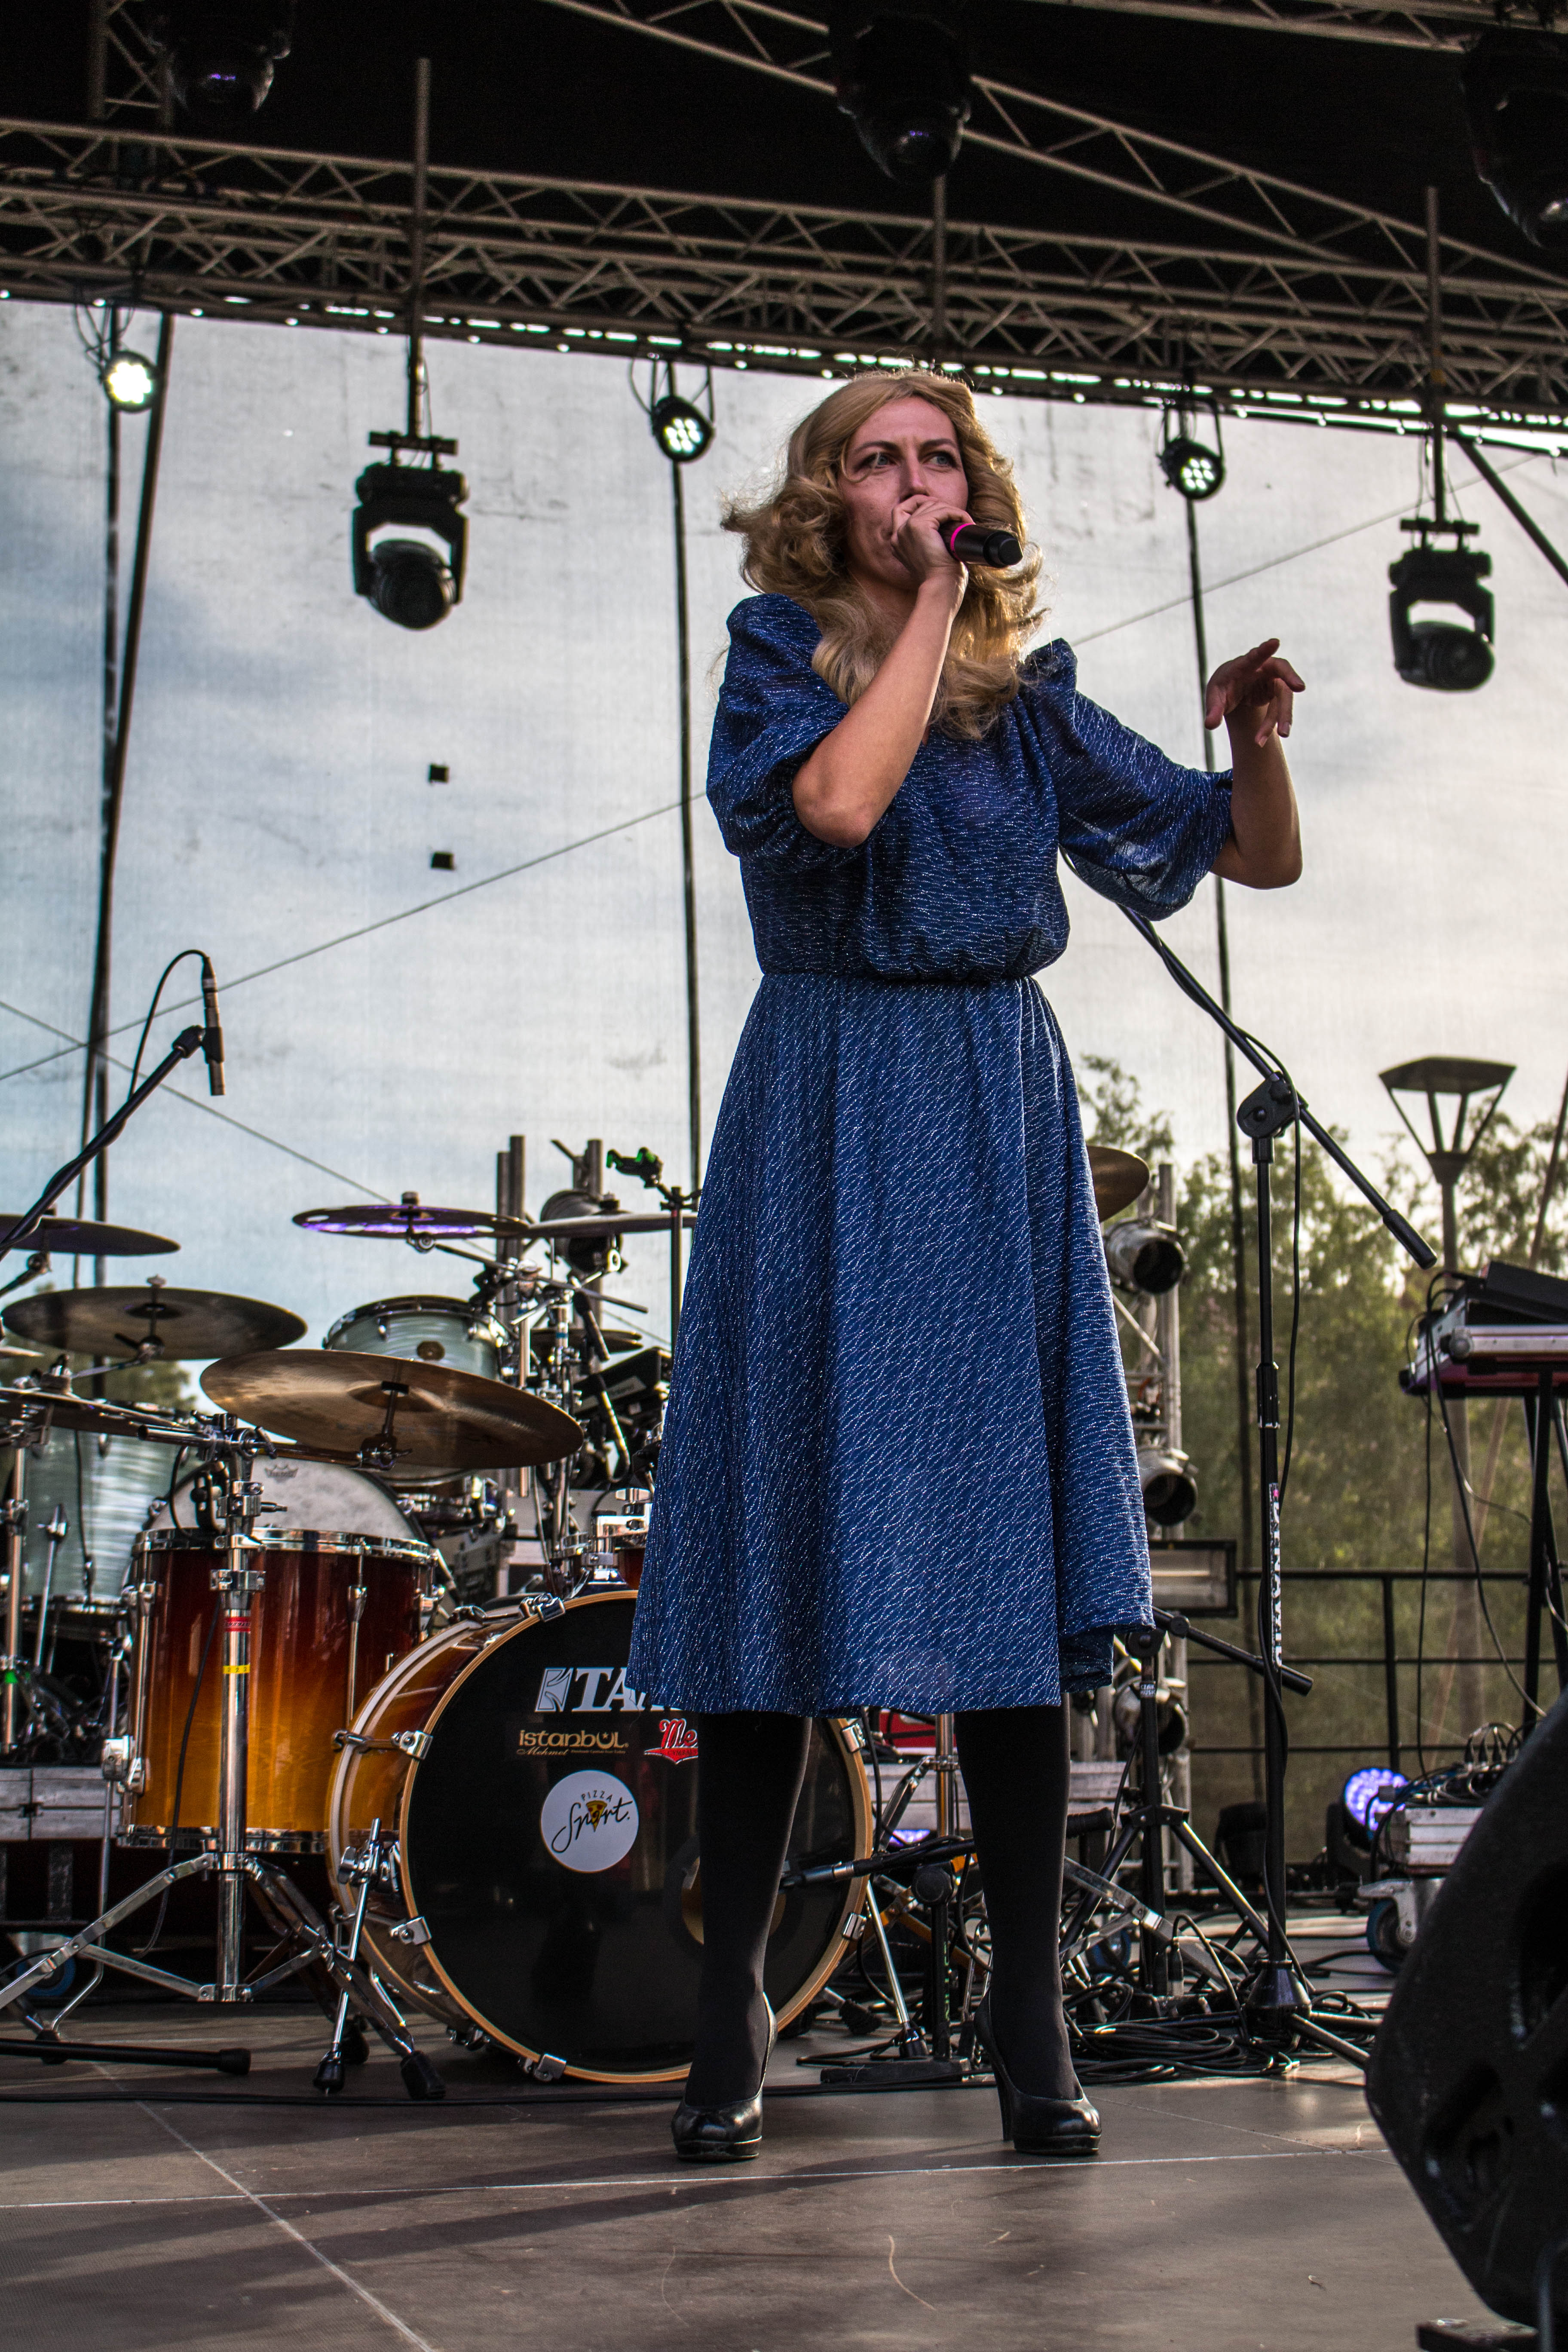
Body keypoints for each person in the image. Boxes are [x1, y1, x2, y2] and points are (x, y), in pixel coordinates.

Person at [627, 370, 1302, 2164]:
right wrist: (935, 602)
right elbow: (842, 812)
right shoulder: (777, 657)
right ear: (829, 499)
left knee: (1008, 1574)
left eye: (941, 457)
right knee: (783, 1559)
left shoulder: (1029, 701)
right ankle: (732, 2007)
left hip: (992, 1102)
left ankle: (1030, 2021)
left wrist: (1254, 738)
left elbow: (1253, 854)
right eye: (881, 460)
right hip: (830, 1091)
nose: (917, 480)